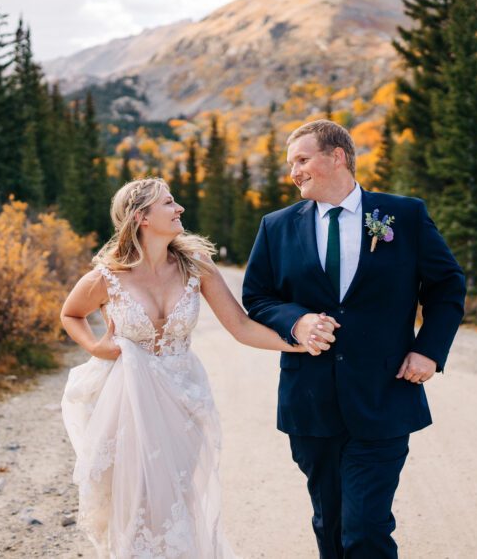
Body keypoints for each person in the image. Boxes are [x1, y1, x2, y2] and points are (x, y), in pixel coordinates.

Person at [59, 177, 338, 558]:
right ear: (141, 216)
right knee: (136, 502)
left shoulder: (196, 266)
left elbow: (239, 326)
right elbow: (71, 313)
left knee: (174, 499)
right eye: (169, 203)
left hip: (182, 399)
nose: (180, 209)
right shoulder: (107, 276)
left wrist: (299, 341)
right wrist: (96, 345)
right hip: (126, 400)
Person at [242, 120, 467, 558]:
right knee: (330, 525)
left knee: (366, 528)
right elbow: (258, 297)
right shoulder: (276, 226)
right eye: (291, 164)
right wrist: (297, 321)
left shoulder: (403, 215)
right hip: (310, 400)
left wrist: (428, 350)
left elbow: (447, 286)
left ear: (337, 156)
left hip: (383, 395)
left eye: (302, 160)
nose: (294, 172)